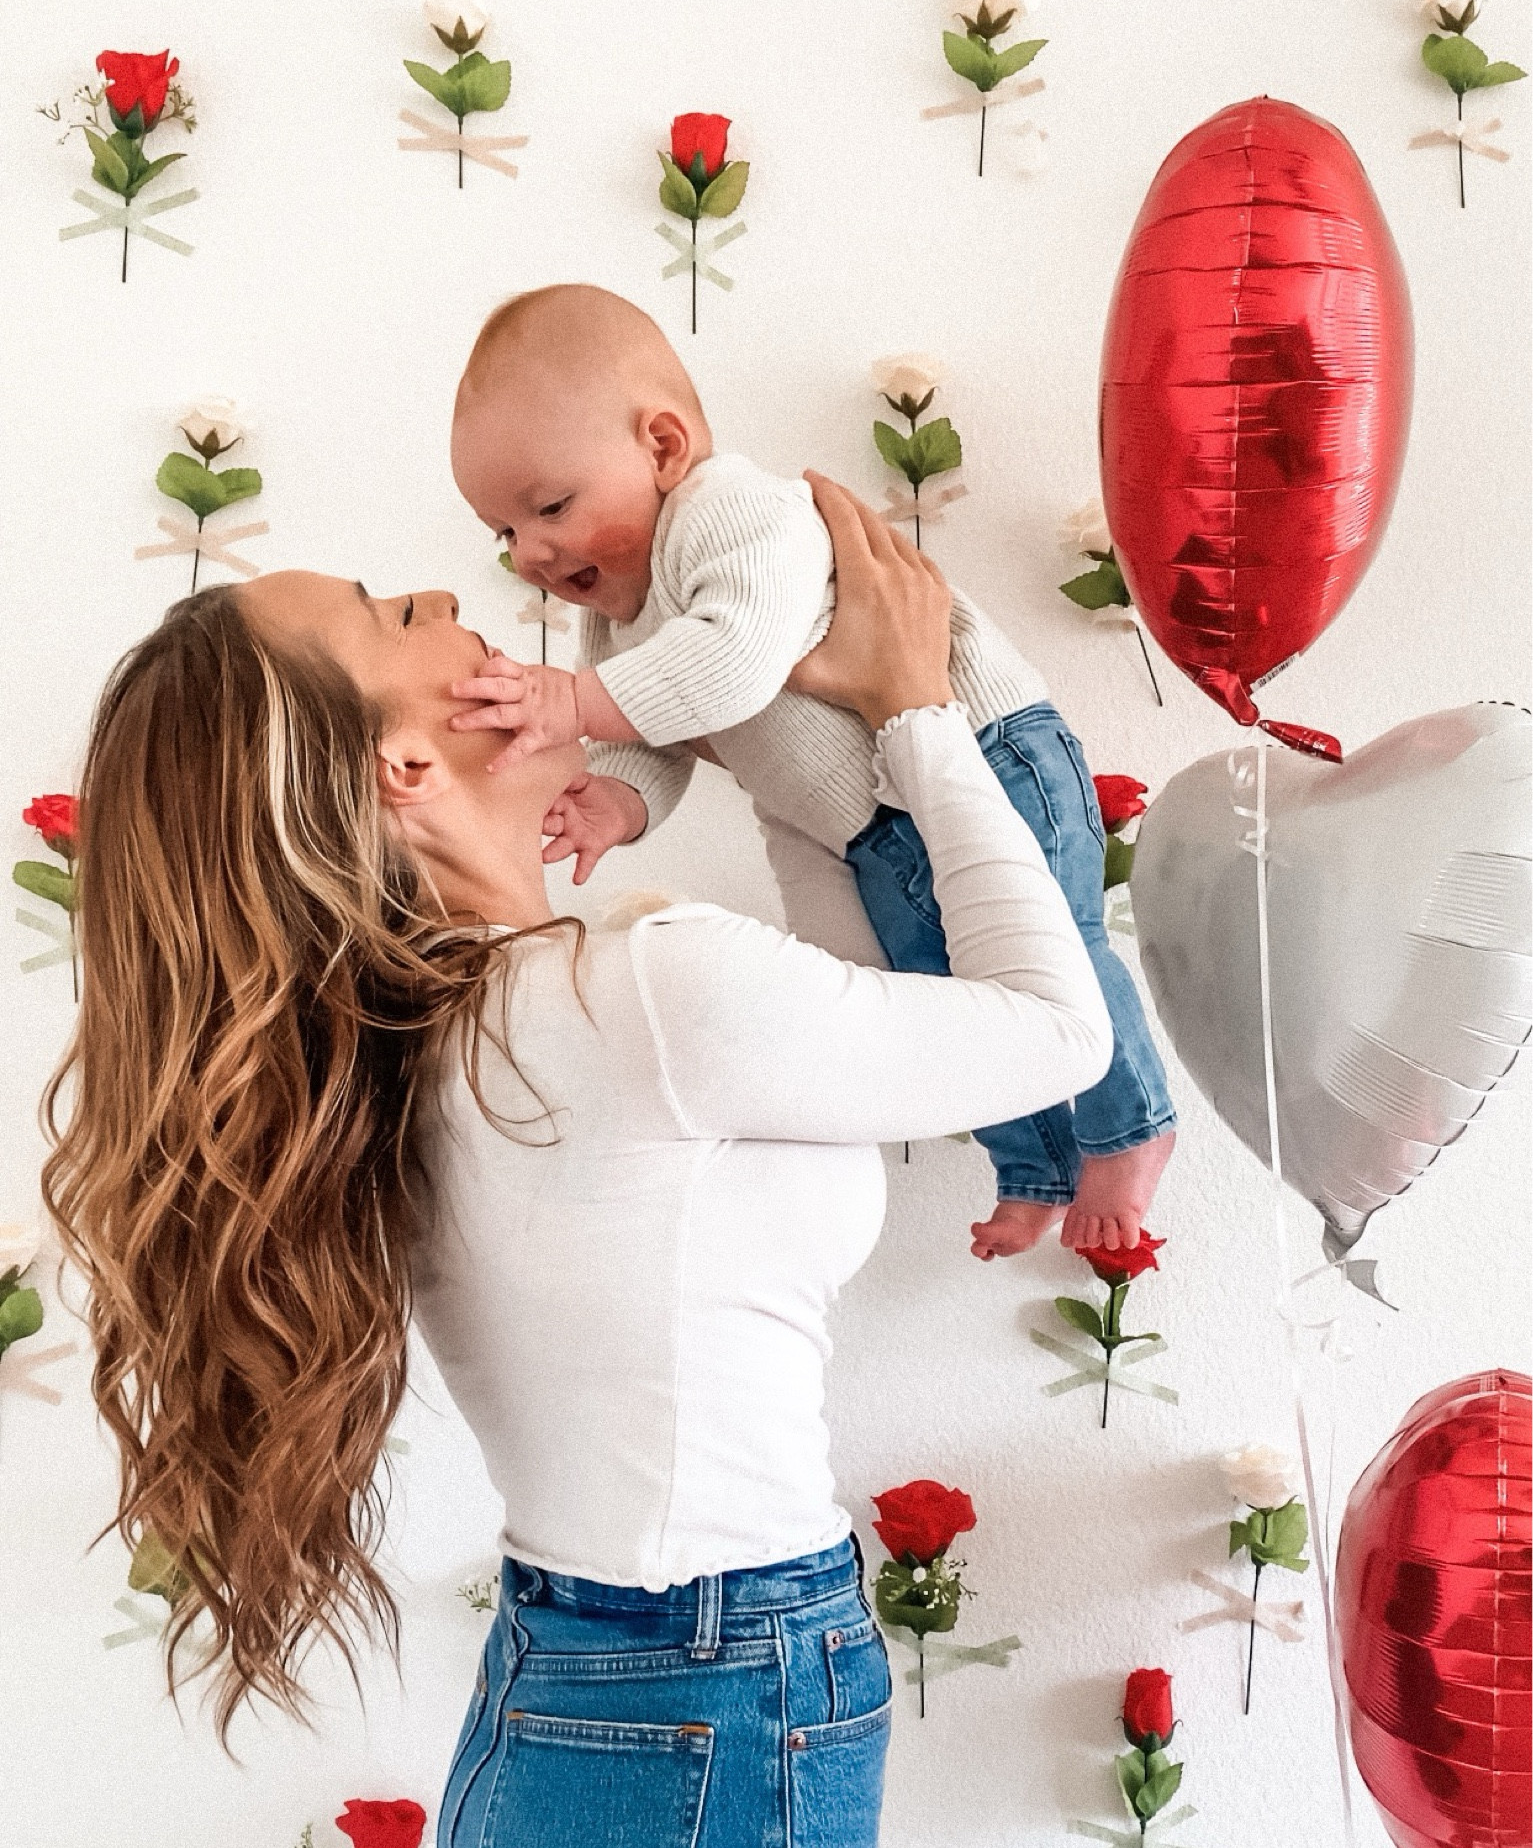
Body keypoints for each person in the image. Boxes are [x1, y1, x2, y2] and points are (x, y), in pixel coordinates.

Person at [42, 476, 1111, 1848]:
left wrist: (785, 739)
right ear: (406, 761)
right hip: (708, 1709)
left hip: (578, 1721)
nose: (441, 597)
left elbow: (848, 1004)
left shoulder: (441, 1038)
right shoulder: (642, 992)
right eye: (385, 616)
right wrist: (921, 711)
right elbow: (1054, 1031)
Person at [448, 282, 1175, 1261]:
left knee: (1054, 939)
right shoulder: (615, 613)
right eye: (505, 532)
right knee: (944, 993)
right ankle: (1035, 1168)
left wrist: (570, 705)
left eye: (549, 508)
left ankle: (1131, 1129)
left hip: (990, 753)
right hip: (873, 824)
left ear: (663, 448)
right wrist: (616, 802)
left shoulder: (733, 516)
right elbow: (651, 732)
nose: (530, 551)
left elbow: (735, 658)